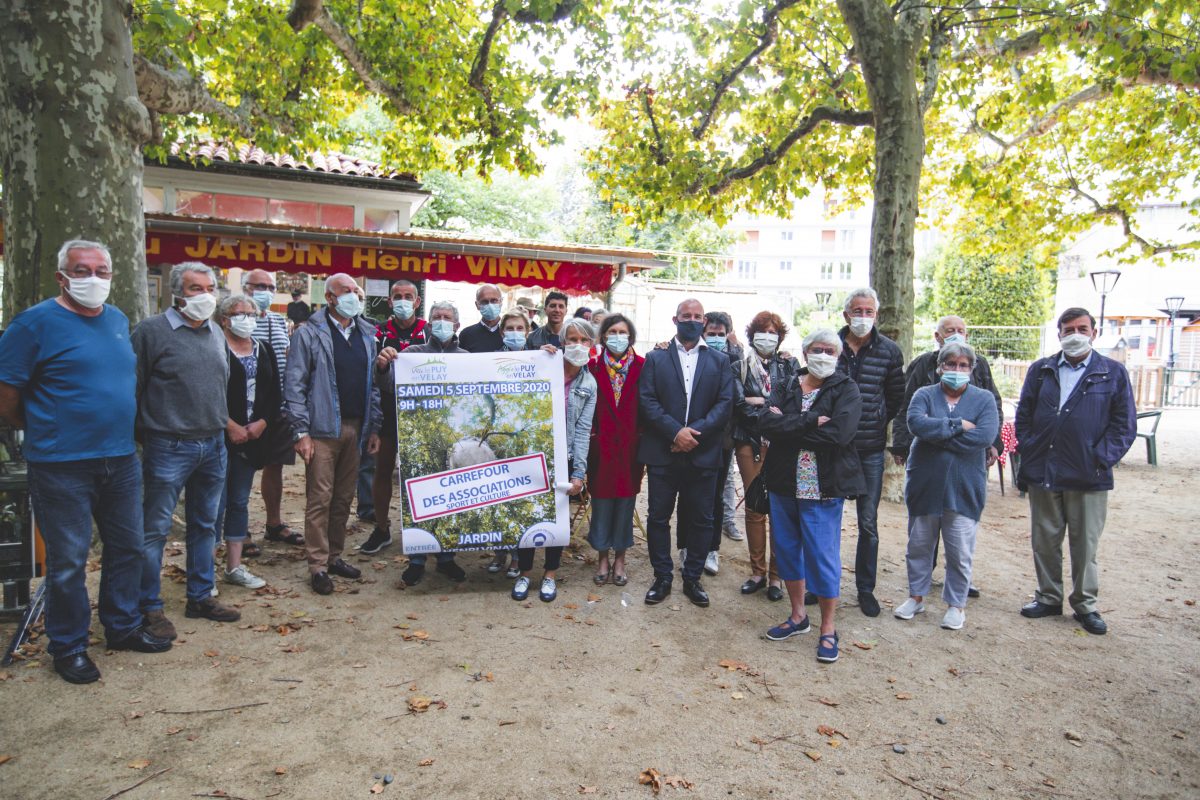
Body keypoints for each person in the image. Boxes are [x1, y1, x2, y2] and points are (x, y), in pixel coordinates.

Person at [0, 240, 171, 684]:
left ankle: (122, 625)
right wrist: (40, 427)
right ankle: (69, 645)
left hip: (120, 458)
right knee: (70, 560)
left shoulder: (116, 320)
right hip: (61, 464)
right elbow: (8, 395)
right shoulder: (33, 324)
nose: (92, 279)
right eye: (81, 269)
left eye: (101, 271)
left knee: (128, 547)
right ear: (62, 276)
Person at [133, 262, 240, 636]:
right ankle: (148, 606)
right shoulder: (151, 332)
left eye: (210, 287)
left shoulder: (214, 331)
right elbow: (135, 388)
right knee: (155, 530)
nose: (205, 295)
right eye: (196, 289)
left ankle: (200, 595)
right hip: (168, 445)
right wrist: (147, 435)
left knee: (206, 524)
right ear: (177, 293)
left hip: (213, 444)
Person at [1015, 307, 1135, 635]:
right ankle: (1049, 596)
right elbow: (1024, 414)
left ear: (1094, 333)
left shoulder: (1112, 373)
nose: (1074, 334)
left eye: (1081, 328)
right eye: (1068, 329)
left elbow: (1124, 425)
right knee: (1045, 539)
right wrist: (1030, 447)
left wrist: (1100, 458)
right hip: (1044, 470)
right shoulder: (1041, 370)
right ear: (1059, 334)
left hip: (1088, 475)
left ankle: (1085, 604)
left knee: (1085, 544)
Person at [759, 329, 864, 664]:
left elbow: (840, 434)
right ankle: (798, 615)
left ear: (838, 355)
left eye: (830, 350)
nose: (823, 354)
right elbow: (765, 424)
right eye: (816, 349)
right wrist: (809, 423)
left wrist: (789, 426)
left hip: (823, 486)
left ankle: (828, 628)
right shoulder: (788, 383)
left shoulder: (846, 388)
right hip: (783, 483)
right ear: (805, 354)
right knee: (787, 550)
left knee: (822, 555)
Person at [891, 314, 1002, 598]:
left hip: (965, 481)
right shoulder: (923, 380)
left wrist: (938, 436)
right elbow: (913, 419)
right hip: (926, 480)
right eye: (951, 364)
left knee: (960, 546)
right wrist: (956, 427)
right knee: (919, 543)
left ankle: (956, 602)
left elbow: (985, 431)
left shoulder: (982, 392)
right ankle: (917, 595)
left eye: (963, 365)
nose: (957, 368)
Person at [284, 273, 382, 595]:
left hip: (357, 427)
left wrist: (374, 426)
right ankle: (317, 566)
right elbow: (295, 386)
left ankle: (335, 555)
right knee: (320, 499)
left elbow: (374, 387)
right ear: (329, 298)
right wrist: (301, 431)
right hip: (322, 430)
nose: (354, 295)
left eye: (356, 291)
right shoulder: (309, 334)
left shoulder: (367, 334)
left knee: (343, 499)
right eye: (346, 291)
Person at [638, 298, 735, 608]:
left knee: (702, 520)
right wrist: (675, 432)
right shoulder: (655, 358)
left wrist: (694, 433)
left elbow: (724, 403)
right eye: (686, 315)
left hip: (703, 452)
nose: (691, 320)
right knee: (658, 517)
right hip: (664, 452)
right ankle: (662, 576)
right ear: (675, 319)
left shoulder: (719, 360)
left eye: (697, 316)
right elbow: (647, 401)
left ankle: (692, 577)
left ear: (704, 321)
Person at [512, 319, 597, 602]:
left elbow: (584, 430)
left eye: (584, 341)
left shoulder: (589, 383)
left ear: (592, 346)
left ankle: (549, 575)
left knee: (557, 518)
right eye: (571, 339)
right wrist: (536, 359)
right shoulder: (543, 365)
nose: (577, 345)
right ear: (562, 342)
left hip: (566, 456)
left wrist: (579, 473)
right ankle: (524, 573)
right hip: (532, 453)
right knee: (528, 513)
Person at [836, 287, 904, 617]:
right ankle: (824, 584)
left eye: (869, 311)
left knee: (868, 523)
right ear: (846, 313)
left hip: (870, 450)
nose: (863, 316)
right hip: (833, 449)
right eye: (857, 310)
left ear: (876, 314)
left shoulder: (889, 351)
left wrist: (874, 420)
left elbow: (894, 398)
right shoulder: (830, 346)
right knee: (827, 520)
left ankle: (865, 589)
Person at [390, 301, 469, 587]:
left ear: (457, 325)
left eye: (448, 317)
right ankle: (417, 559)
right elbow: (389, 387)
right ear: (429, 323)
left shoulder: (467, 357)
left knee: (451, 499)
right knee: (420, 498)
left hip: (453, 440)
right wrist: (385, 364)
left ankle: (447, 558)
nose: (442, 321)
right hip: (419, 439)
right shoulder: (411, 354)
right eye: (437, 317)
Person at [215, 295, 287, 592]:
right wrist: (229, 425)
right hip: (219, 437)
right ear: (224, 319)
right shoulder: (214, 348)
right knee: (212, 506)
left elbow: (273, 392)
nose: (246, 318)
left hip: (252, 438)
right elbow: (206, 392)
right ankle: (204, 572)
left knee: (238, 502)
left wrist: (263, 423)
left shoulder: (264, 349)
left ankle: (234, 566)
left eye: (251, 314)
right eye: (238, 313)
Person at [731, 311, 800, 601]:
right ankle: (757, 572)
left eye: (773, 332)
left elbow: (793, 403)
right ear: (752, 334)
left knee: (780, 511)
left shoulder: (790, 364)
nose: (768, 336)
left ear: (780, 336)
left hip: (782, 445)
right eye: (762, 331)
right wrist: (768, 410)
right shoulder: (739, 366)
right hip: (748, 441)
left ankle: (776, 577)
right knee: (754, 508)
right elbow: (738, 404)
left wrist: (761, 401)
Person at [358, 280, 428, 554]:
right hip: (386, 411)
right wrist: (380, 364)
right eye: (397, 296)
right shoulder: (376, 333)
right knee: (382, 470)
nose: (402, 300)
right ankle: (382, 528)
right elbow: (368, 377)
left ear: (417, 302)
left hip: (422, 414)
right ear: (389, 302)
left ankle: (422, 529)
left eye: (408, 296)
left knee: (419, 473)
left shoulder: (429, 331)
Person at [242, 269, 299, 555]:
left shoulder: (279, 321)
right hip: (247, 409)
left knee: (275, 465)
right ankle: (239, 531)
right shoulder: (237, 322)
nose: (264, 291)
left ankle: (274, 524)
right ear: (245, 288)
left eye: (270, 286)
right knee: (240, 472)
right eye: (258, 286)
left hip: (279, 408)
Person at [675, 311, 737, 578]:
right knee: (686, 498)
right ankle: (685, 546)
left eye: (720, 334)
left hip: (717, 442)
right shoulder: (689, 357)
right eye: (710, 334)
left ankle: (711, 547)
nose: (715, 338)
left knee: (714, 499)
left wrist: (699, 431)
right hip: (684, 439)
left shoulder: (732, 361)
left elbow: (729, 402)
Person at [586, 313, 644, 587]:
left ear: (630, 337)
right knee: (601, 503)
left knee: (625, 503)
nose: (617, 337)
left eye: (622, 332)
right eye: (612, 332)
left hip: (631, 448)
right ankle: (602, 558)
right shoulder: (592, 367)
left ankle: (620, 558)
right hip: (601, 447)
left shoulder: (644, 366)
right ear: (603, 336)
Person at [484, 310, 539, 577]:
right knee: (497, 498)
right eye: (510, 328)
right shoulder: (489, 359)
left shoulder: (539, 358)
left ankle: (518, 557)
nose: (515, 332)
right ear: (502, 331)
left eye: (520, 328)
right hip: (496, 437)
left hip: (523, 440)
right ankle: (499, 551)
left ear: (528, 332)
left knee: (518, 500)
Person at [458, 283, 505, 353]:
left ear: (501, 302)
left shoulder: (511, 332)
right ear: (477, 305)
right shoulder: (466, 334)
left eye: (494, 300)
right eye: (484, 302)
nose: (490, 305)